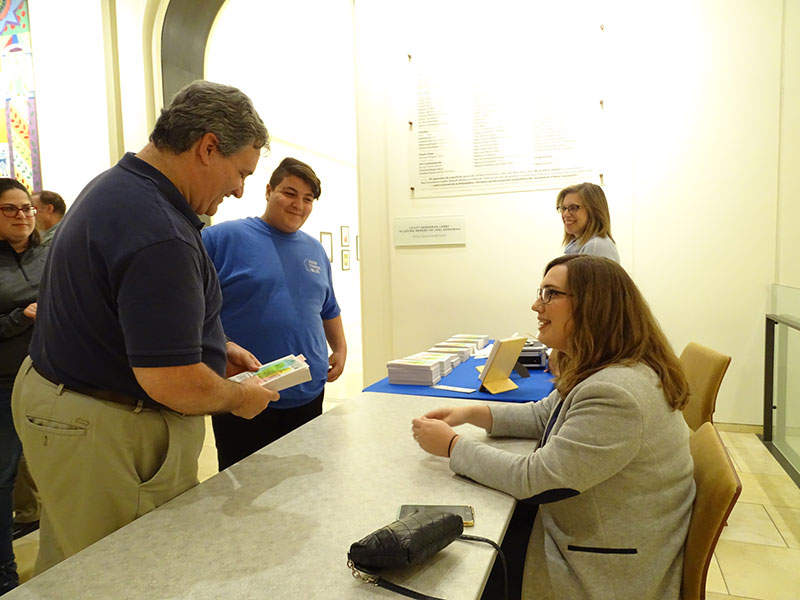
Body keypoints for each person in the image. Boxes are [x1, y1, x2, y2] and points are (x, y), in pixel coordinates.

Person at [11, 80, 279, 574]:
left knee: (72, 560)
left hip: (69, 403)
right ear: (207, 147)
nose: (240, 189)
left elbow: (122, 312)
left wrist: (215, 345)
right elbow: (171, 380)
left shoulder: (123, 186)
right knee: (120, 574)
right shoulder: (160, 230)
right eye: (240, 172)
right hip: (104, 427)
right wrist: (240, 398)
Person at [412, 254, 695, 599]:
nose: (536, 305)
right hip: (598, 538)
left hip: (600, 574)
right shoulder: (610, 370)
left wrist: (453, 446)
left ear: (594, 307)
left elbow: (535, 482)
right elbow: (544, 416)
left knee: (453, 572)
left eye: (550, 294)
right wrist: (472, 413)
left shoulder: (616, 393)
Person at [202, 157, 346, 470]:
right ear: (268, 191)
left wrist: (341, 348)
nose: (299, 205)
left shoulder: (315, 250)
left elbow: (328, 307)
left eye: (308, 199)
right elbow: (190, 307)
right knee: (244, 493)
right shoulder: (220, 240)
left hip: (309, 393)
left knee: (304, 486)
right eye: (290, 193)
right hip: (245, 394)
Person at [0, 179, 48, 594]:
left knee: (58, 469)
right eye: (10, 209)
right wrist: (21, 317)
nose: (22, 216)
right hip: (3, 383)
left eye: (26, 208)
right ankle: (4, 572)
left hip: (53, 377)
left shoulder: (49, 253)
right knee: (4, 476)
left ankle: (62, 551)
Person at [557, 182, 619, 263]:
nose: (565, 214)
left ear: (593, 211)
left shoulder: (595, 246)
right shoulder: (579, 244)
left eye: (573, 208)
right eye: (563, 208)